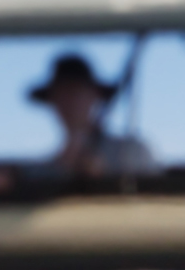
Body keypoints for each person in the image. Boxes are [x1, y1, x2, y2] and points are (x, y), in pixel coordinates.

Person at [26, 53, 155, 179]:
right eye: (61, 94)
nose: (69, 101)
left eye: (76, 91)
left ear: (95, 95)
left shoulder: (131, 152)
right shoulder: (42, 171)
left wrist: (103, 179)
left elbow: (152, 190)